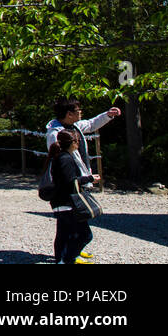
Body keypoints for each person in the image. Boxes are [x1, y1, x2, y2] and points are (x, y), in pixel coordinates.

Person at [45, 98, 116, 260]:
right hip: (70, 183)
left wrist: (108, 115)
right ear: (69, 114)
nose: (81, 113)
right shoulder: (56, 134)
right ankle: (69, 255)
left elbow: (91, 124)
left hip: (77, 180)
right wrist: (85, 179)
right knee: (72, 223)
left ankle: (68, 253)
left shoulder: (74, 126)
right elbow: (60, 164)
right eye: (78, 111)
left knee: (67, 223)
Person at [47, 128, 95, 264]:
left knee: (63, 234)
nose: (79, 143)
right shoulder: (65, 158)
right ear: (72, 142)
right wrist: (89, 179)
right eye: (77, 141)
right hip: (68, 203)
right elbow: (70, 182)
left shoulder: (59, 156)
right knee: (85, 235)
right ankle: (68, 259)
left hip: (59, 202)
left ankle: (61, 260)